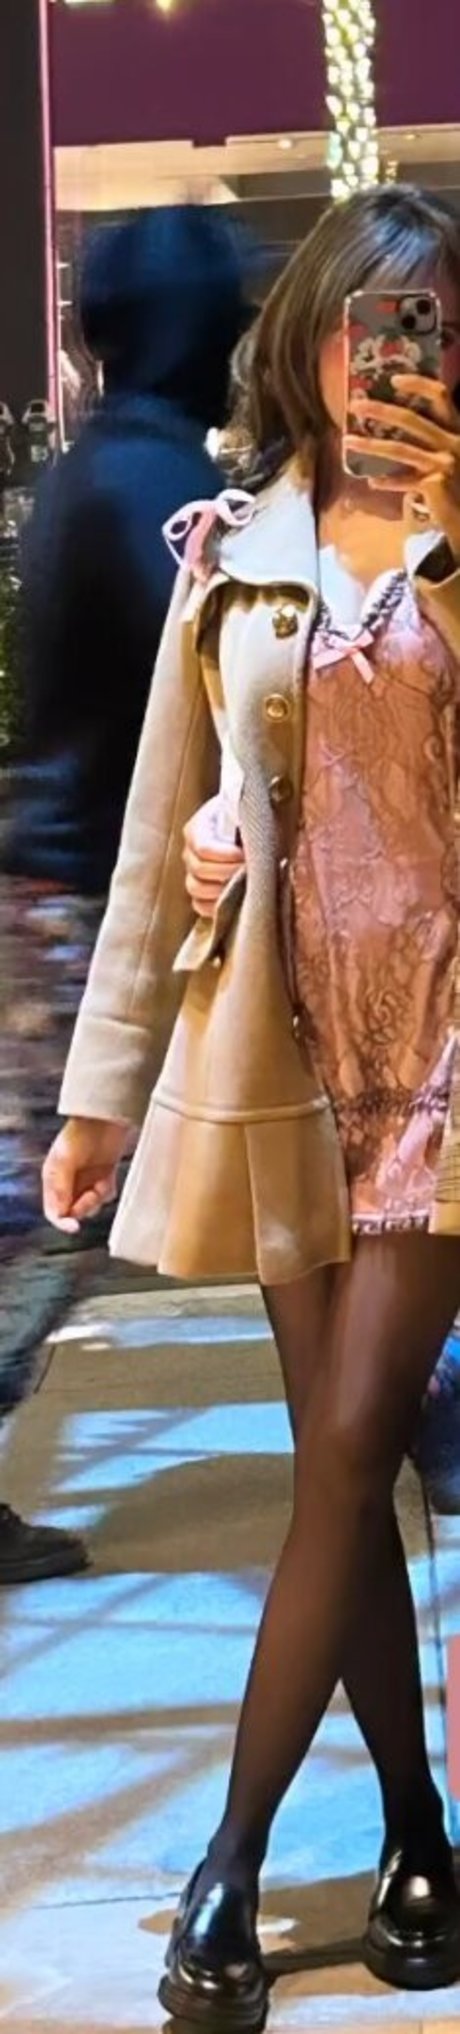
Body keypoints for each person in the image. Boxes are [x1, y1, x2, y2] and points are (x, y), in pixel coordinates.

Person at [43, 182, 460, 2008]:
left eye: (434, 324)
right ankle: (423, 1835)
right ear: (308, 338)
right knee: (335, 1476)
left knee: (352, 1443)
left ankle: (226, 1860)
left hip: (446, 1060)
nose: (399, 354)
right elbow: (158, 838)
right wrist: (101, 1094)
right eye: (374, 320)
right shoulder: (230, 556)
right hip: (289, 1058)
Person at [0, 203, 254, 1586]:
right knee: (45, 1221)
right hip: (89, 912)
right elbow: (222, 689)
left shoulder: (102, 465)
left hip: (64, 895)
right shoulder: (152, 482)